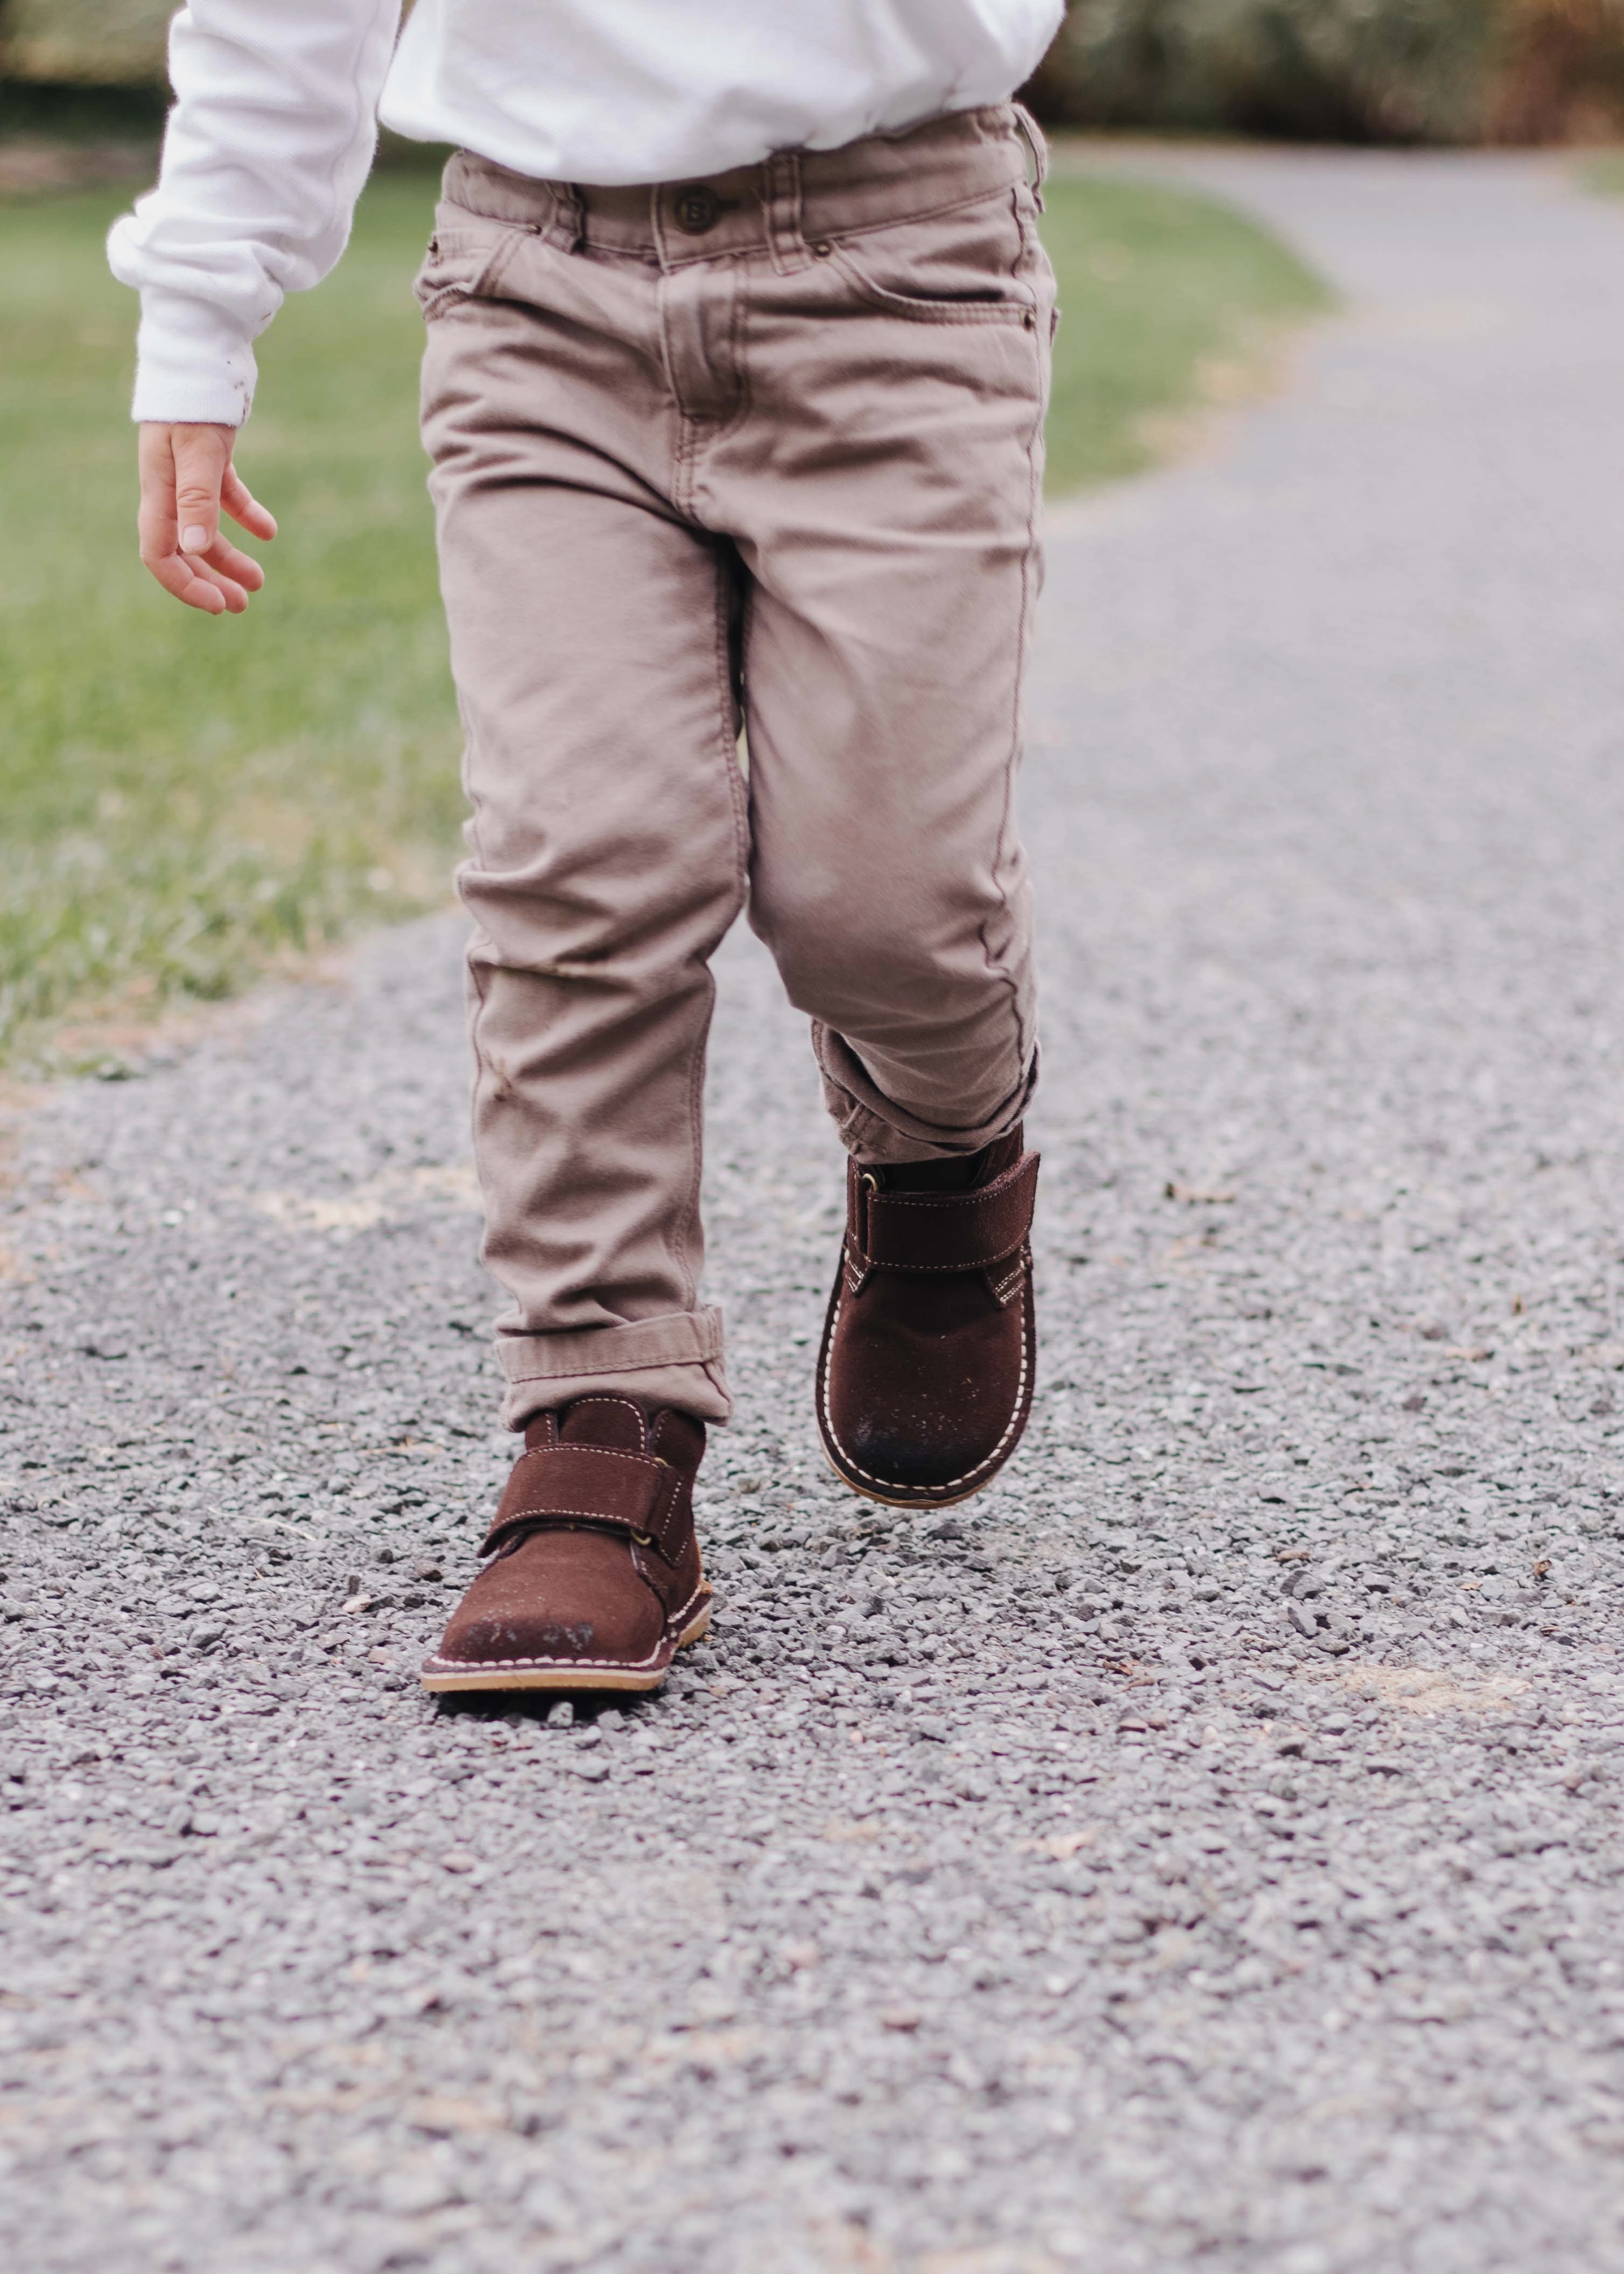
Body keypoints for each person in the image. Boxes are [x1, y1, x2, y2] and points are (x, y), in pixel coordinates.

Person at [110, 1, 1061, 1696]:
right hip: (539, 286)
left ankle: (942, 1156)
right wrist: (202, 309)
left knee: (885, 904)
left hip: (903, 272)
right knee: (583, 858)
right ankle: (601, 1422)